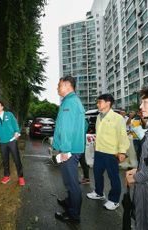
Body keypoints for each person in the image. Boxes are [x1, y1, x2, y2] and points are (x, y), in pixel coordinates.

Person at [126, 85, 148, 230]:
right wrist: (138, 169)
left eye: (145, 102)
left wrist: (136, 177)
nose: (141, 106)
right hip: (146, 191)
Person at [87, 94, 129, 210]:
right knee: (97, 173)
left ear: (108, 103)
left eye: (99, 102)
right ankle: (99, 193)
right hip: (99, 151)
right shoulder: (99, 117)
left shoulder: (118, 118)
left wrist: (122, 152)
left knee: (113, 177)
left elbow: (122, 136)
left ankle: (114, 200)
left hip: (111, 152)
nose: (97, 104)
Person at [52, 76, 86, 224]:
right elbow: (83, 125)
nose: (57, 88)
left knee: (72, 184)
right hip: (73, 148)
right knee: (69, 181)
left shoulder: (70, 102)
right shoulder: (73, 101)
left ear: (67, 86)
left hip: (69, 150)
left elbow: (66, 128)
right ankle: (69, 202)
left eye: (59, 85)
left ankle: (73, 216)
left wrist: (65, 149)